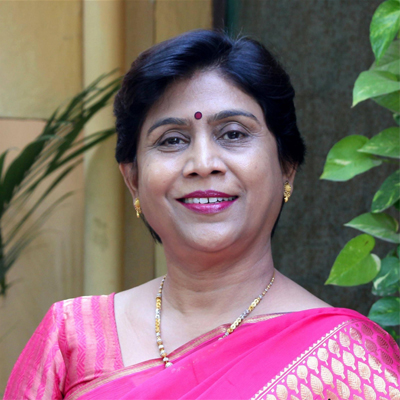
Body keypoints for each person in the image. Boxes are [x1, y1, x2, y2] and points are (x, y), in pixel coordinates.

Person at [5, 29, 399, 400]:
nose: (203, 164)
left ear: (287, 167)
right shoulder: (73, 338)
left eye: (233, 133)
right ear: (133, 180)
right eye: (172, 140)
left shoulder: (346, 359)